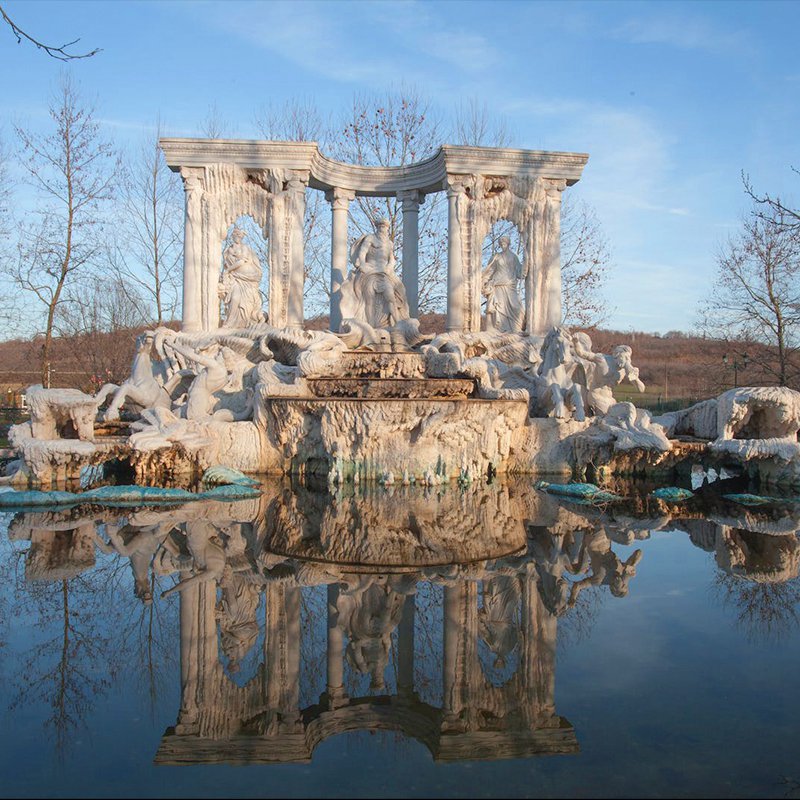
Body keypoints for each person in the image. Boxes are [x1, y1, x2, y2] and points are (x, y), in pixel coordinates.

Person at [340, 218, 411, 330]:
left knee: (391, 297)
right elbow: (362, 253)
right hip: (370, 271)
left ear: (388, 229)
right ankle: (371, 327)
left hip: (384, 273)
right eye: (380, 227)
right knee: (369, 300)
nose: (383, 229)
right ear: (377, 227)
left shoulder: (389, 243)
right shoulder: (370, 238)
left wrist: (389, 267)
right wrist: (362, 265)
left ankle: (398, 324)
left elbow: (392, 259)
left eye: (385, 227)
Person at [219, 227, 264, 328]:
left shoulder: (244, 248)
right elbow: (227, 263)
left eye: (240, 236)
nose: (238, 237)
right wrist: (229, 271)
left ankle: (246, 322)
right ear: (232, 236)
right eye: (236, 235)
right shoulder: (228, 250)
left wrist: (229, 270)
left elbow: (242, 261)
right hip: (236, 278)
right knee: (235, 298)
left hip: (246, 276)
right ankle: (230, 323)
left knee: (247, 302)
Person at [481, 236, 525, 333]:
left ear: (508, 243)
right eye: (501, 243)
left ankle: (516, 329)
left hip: (509, 284)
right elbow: (490, 271)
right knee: (498, 308)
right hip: (497, 284)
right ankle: (497, 330)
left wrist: (525, 267)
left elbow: (519, 271)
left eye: (504, 242)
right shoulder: (496, 257)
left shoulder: (513, 257)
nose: (502, 244)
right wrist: (484, 280)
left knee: (516, 307)